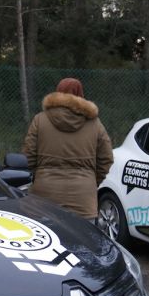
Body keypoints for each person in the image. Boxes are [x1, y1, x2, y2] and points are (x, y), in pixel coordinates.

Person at [21, 77, 114, 222]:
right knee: (83, 243)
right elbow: (106, 158)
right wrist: (91, 180)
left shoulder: (40, 120)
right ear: (81, 95)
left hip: (45, 197)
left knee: (46, 241)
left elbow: (28, 156)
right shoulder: (95, 124)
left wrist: (39, 174)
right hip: (83, 200)